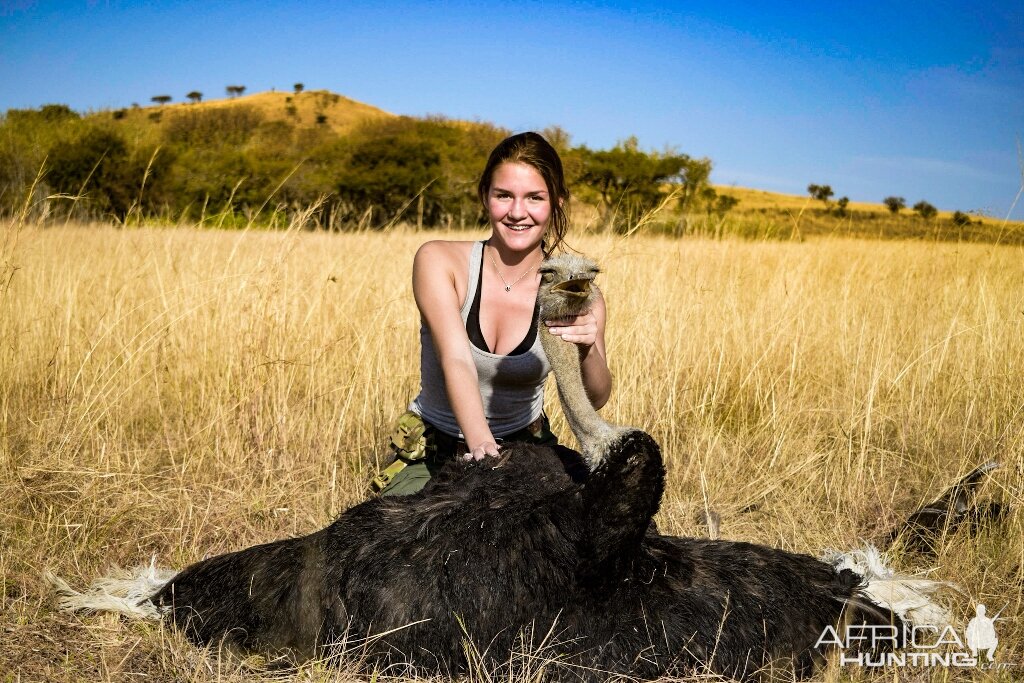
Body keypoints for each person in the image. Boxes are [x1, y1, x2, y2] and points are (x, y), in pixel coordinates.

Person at [373, 132, 612, 496]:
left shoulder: (576, 292)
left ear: (557, 203)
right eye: (504, 195)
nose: (518, 212)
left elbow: (593, 399)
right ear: (485, 196)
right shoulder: (439, 261)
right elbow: (456, 359)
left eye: (535, 198)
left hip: (527, 450)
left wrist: (587, 347)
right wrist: (484, 451)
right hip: (436, 452)